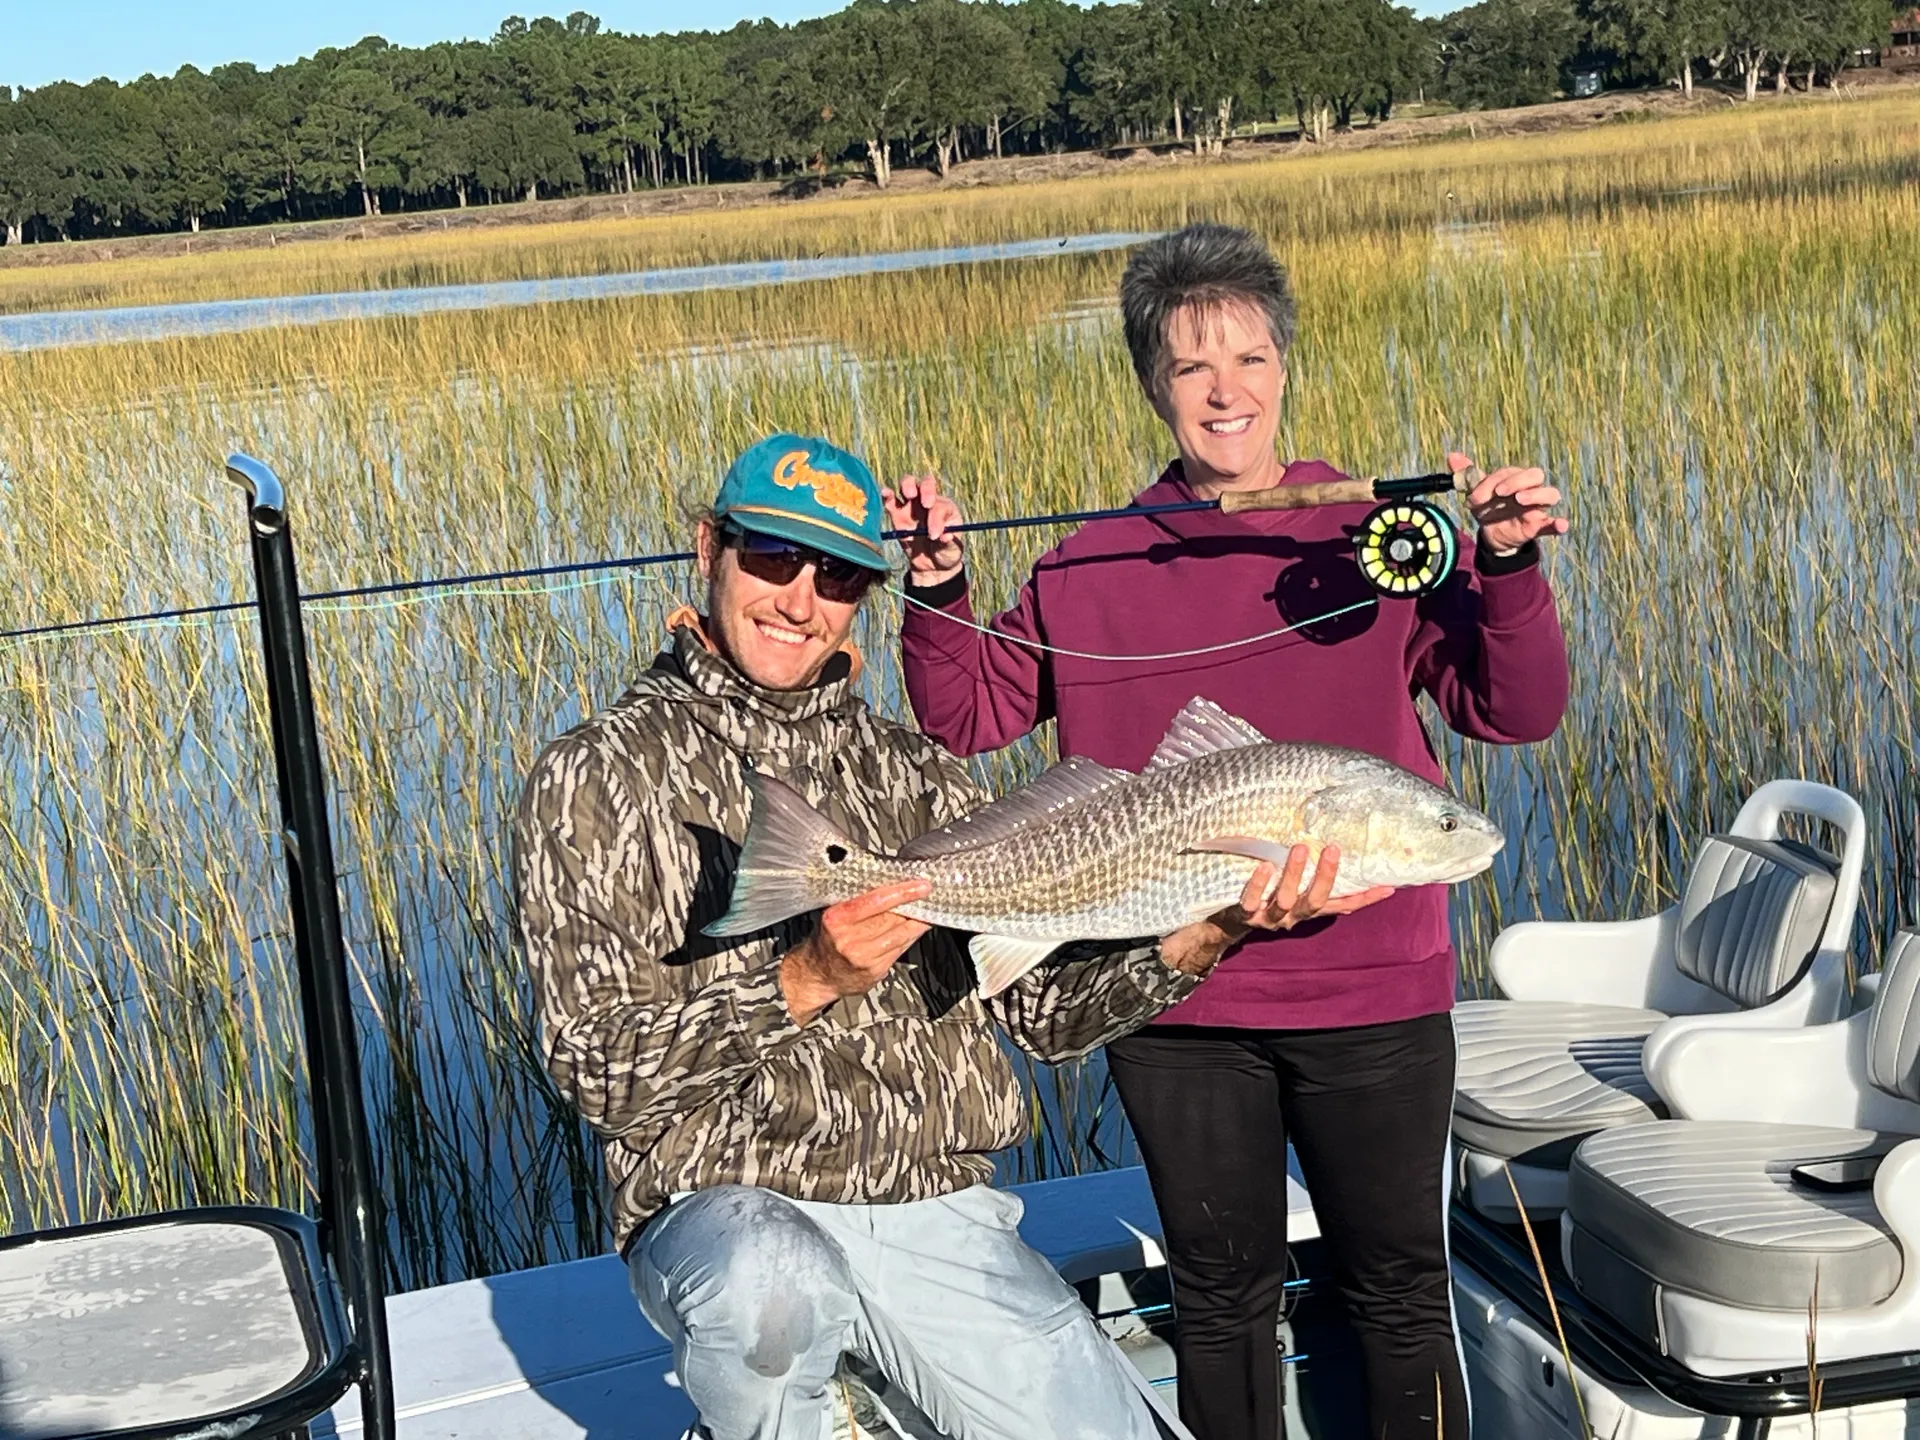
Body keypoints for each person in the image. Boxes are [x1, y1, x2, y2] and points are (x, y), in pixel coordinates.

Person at [511, 431, 1354, 1440]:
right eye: (774, 557)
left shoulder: (912, 768)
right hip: (721, 1211)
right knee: (773, 1290)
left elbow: (1042, 1014)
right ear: (710, 548)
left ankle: (875, 1387)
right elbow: (594, 1070)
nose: (799, 599)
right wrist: (805, 978)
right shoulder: (594, 777)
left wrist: (1211, 929)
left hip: (932, 1209)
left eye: (839, 575)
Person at [888, 223, 1572, 1440]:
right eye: (1194, 366)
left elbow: (1511, 710)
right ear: (1155, 384)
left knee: (1399, 1288)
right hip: (1175, 994)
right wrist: (938, 590)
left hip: (1373, 993)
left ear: (1285, 370)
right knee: (1220, 1297)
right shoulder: (1093, 561)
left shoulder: (1370, 541)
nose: (1227, 392)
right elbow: (970, 713)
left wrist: (1506, 568)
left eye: (1252, 359)